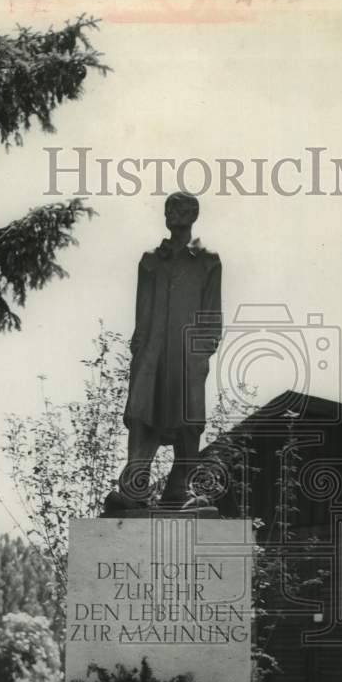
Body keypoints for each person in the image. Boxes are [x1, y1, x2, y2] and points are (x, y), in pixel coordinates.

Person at [107, 192, 222, 512]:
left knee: (189, 418)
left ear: (194, 214)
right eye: (168, 208)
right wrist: (138, 351)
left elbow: (212, 316)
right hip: (152, 353)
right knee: (143, 414)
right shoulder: (150, 261)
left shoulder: (208, 261)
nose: (172, 213)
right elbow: (140, 313)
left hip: (187, 354)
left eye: (180, 209)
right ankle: (134, 486)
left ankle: (179, 486)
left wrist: (202, 355)